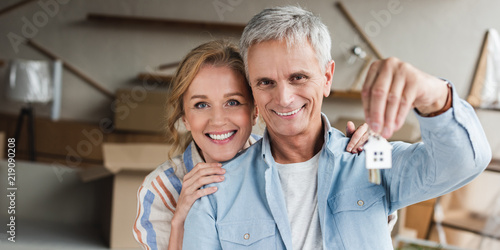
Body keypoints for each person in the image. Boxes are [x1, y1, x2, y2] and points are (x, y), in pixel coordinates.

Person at [182, 6, 492, 250]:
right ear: (251, 88)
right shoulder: (216, 193)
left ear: (327, 77)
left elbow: (464, 162)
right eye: (266, 82)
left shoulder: (370, 159)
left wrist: (433, 94)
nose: (284, 98)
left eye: (298, 77)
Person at [132, 40, 369, 250]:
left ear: (255, 111)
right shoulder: (160, 190)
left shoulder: (281, 161)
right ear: (185, 117)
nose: (218, 120)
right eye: (201, 105)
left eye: (233, 102)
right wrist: (180, 220)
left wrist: (369, 161)